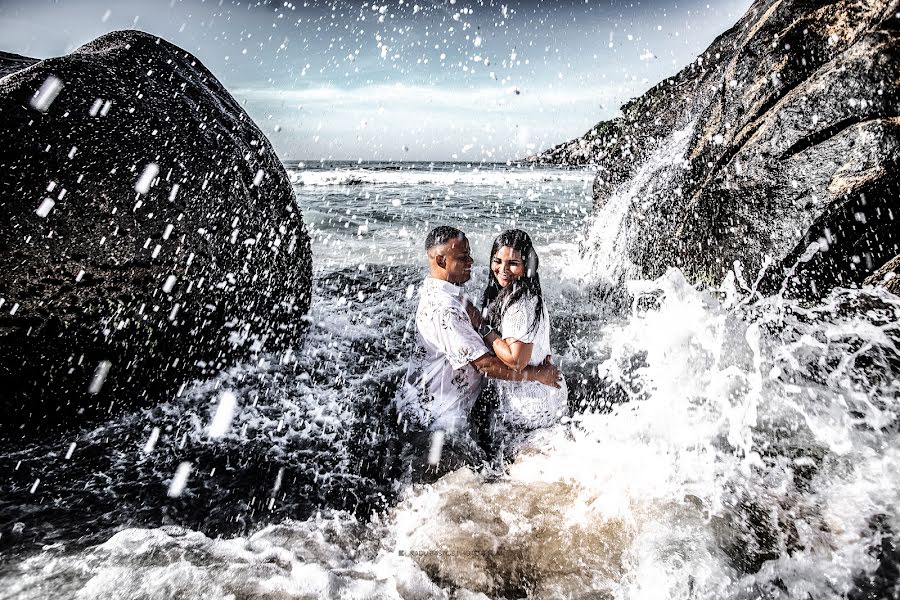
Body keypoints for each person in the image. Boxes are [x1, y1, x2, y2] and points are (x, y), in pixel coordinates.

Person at [394, 225, 560, 481]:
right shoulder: (446, 310)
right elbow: (487, 365)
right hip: (440, 418)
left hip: (440, 407)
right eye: (463, 257)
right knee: (464, 484)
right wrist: (538, 375)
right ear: (440, 260)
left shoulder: (447, 293)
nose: (472, 261)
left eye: (469, 254)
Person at [477, 229, 569, 455]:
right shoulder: (524, 294)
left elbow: (517, 360)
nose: (503, 270)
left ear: (527, 264)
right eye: (497, 261)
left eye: (513, 264)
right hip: (542, 397)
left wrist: (483, 328)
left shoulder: (520, 303)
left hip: (532, 406)